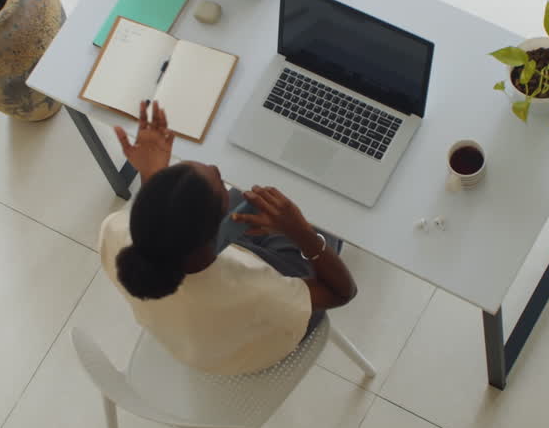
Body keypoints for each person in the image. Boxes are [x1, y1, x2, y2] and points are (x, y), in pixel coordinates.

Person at [98, 101, 358, 375]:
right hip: (255, 346)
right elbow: (341, 293)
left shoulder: (114, 231)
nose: (214, 166)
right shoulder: (261, 293)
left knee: (258, 198)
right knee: (319, 211)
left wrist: (151, 176)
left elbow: (164, 221)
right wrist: (301, 232)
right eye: (220, 181)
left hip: (195, 333)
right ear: (218, 232)